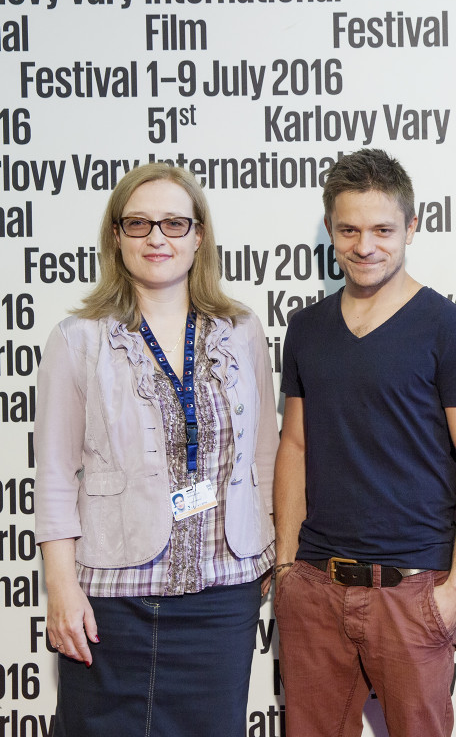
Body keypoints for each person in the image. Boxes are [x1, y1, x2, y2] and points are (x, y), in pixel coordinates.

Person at [34, 163, 278, 736]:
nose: (157, 238)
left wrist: (272, 551)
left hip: (223, 595)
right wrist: (61, 589)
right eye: (139, 223)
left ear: (199, 235)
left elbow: (265, 454)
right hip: (111, 600)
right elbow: (55, 475)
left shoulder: (241, 330)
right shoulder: (78, 339)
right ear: (117, 236)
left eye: (174, 223)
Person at [272, 148, 456, 737]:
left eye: (382, 230)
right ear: (330, 229)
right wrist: (287, 567)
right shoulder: (306, 328)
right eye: (349, 230)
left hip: (413, 587)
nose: (364, 246)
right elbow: (294, 445)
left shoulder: (450, 329)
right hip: (315, 585)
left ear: (411, 228)